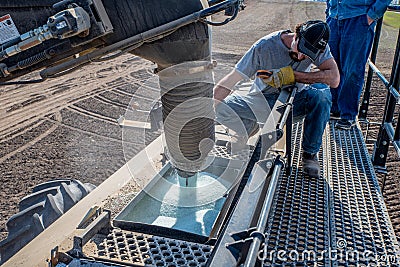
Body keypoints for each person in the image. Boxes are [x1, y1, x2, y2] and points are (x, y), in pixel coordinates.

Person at [214, 20, 340, 178]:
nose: (301, 56)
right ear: (296, 35)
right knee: (219, 108)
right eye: (300, 49)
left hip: (294, 102)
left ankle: (309, 155)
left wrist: (293, 76)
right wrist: (207, 106)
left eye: (307, 55)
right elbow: (232, 78)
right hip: (263, 101)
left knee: (322, 96)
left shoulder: (319, 48)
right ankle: (245, 130)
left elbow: (334, 79)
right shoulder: (265, 46)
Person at [326, 0, 392, 130]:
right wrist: (329, 11)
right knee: (332, 66)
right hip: (334, 18)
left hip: (358, 19)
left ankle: (348, 115)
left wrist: (371, 16)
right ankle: (334, 108)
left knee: (352, 70)